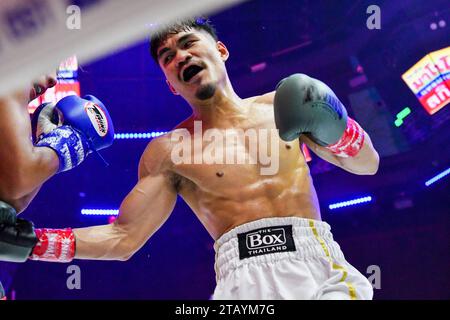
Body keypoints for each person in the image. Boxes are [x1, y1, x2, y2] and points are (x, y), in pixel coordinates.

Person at [0, 18, 379, 299]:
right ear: (169, 81)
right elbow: (124, 238)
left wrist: (340, 130)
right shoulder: (168, 152)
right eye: (168, 57)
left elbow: (367, 164)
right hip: (241, 282)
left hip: (320, 266)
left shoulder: (284, 106)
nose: (180, 56)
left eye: (188, 44)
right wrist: (32, 243)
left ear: (220, 50)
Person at [0, 76, 114, 297]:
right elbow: (19, 181)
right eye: (53, 59)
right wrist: (68, 141)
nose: (52, 79)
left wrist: (49, 143)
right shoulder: (10, 75)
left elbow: (8, 199)